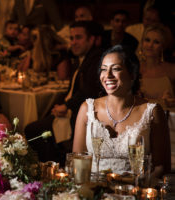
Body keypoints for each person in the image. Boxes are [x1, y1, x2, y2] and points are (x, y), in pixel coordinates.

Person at [73, 45, 170, 177]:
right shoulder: (87, 109)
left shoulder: (152, 111)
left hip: (135, 191)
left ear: (132, 74)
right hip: (94, 191)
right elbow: (77, 161)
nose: (107, 76)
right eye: (103, 69)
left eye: (116, 69)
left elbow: (162, 167)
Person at [24, 21, 102, 165]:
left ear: (91, 39)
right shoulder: (82, 59)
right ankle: (54, 165)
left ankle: (55, 166)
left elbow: (88, 91)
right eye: (71, 38)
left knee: (33, 130)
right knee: (38, 129)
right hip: (73, 109)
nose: (73, 42)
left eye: (78, 38)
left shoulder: (96, 59)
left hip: (81, 114)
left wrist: (66, 106)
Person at [139, 24, 175, 105]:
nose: (150, 45)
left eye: (156, 42)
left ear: (163, 46)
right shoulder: (134, 68)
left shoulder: (172, 70)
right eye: (147, 40)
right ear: (142, 43)